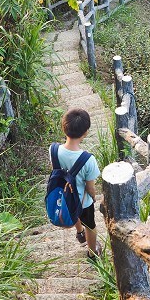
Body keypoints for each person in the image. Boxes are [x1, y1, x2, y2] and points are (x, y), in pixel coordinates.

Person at [51, 107, 102, 258]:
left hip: (64, 198)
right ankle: (92, 253)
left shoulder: (53, 150)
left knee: (73, 211)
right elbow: (90, 187)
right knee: (91, 227)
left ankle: (80, 233)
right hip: (83, 202)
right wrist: (93, 197)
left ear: (63, 128)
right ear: (85, 133)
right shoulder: (88, 160)